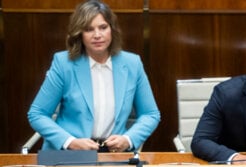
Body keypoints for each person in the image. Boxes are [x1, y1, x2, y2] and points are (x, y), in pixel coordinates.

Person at [28, 0, 160, 153]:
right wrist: (70, 142)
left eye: (103, 27)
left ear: (112, 29)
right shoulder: (64, 64)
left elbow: (150, 114)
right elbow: (37, 114)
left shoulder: (132, 64)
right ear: (80, 34)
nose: (97, 35)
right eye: (89, 29)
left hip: (114, 154)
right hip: (70, 153)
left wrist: (128, 139)